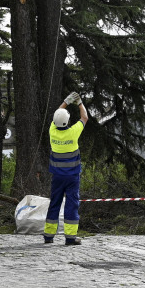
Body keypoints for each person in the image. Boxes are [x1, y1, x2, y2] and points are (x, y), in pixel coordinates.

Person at [43, 91, 88, 246]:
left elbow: (57, 115)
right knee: (71, 204)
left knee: (54, 203)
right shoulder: (73, 133)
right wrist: (79, 102)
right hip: (72, 177)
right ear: (68, 121)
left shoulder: (52, 132)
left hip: (57, 177)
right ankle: (70, 237)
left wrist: (66, 101)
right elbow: (84, 118)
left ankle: (48, 235)